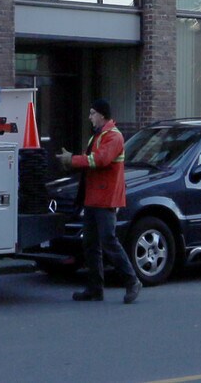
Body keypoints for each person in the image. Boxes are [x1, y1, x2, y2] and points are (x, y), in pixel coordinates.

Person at [58, 100, 140, 305]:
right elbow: (93, 160)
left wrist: (72, 160)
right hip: (94, 198)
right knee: (90, 244)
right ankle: (95, 289)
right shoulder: (100, 135)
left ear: (102, 115)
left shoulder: (114, 136)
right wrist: (74, 161)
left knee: (108, 241)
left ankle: (132, 281)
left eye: (93, 113)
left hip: (106, 198)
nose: (90, 117)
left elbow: (99, 160)